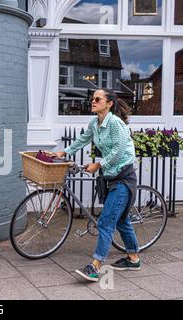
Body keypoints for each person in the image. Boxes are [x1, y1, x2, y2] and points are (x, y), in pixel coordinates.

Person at [55, 88, 141, 282]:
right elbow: (83, 139)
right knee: (121, 220)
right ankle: (133, 258)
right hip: (111, 177)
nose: (93, 101)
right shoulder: (95, 123)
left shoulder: (116, 124)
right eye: (92, 99)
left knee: (106, 221)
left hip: (123, 178)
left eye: (97, 99)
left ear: (109, 103)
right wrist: (64, 152)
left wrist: (98, 164)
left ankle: (95, 266)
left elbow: (118, 152)